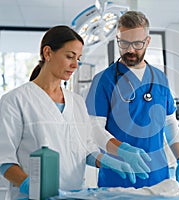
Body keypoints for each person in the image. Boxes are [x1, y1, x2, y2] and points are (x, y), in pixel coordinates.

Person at [0, 25, 136, 199]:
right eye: (69, 56)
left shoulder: (77, 102)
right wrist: (32, 187)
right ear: (48, 53)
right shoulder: (15, 100)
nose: (75, 65)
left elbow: (86, 149)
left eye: (78, 58)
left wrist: (109, 162)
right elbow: (4, 160)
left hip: (75, 195)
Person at [85, 10, 179, 188]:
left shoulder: (160, 78)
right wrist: (122, 150)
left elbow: (170, 123)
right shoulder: (103, 80)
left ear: (148, 41)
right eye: (124, 43)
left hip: (159, 179)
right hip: (118, 179)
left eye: (137, 43)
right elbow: (94, 129)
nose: (130, 50)